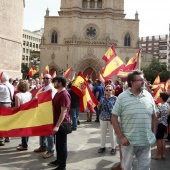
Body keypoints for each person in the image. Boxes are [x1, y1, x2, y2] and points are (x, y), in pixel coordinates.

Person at [112, 70, 157, 170]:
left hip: (146, 141)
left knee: (145, 168)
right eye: (140, 80)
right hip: (128, 142)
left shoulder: (149, 96)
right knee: (126, 167)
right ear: (132, 82)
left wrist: (153, 133)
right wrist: (121, 137)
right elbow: (114, 117)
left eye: (143, 79)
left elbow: (155, 115)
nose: (143, 82)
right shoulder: (122, 97)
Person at [48, 76, 71, 170]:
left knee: (62, 145)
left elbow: (64, 112)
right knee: (58, 144)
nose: (54, 83)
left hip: (62, 123)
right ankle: (58, 160)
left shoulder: (64, 95)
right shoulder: (58, 93)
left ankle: (62, 166)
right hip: (57, 122)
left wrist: (57, 126)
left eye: (55, 82)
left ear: (60, 83)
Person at [34, 74, 57, 159]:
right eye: (44, 78)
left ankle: (50, 150)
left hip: (48, 113)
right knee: (42, 129)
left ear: (51, 79)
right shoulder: (42, 88)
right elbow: (36, 97)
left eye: (47, 78)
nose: (45, 79)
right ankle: (43, 146)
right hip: (42, 112)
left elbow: (51, 100)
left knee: (48, 132)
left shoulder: (52, 89)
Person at [12, 80, 32, 151]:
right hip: (28, 113)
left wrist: (13, 109)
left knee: (22, 128)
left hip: (22, 114)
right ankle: (25, 142)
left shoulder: (17, 95)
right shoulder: (29, 94)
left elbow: (17, 106)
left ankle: (24, 145)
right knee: (27, 128)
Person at [98, 85, 117, 155]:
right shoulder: (102, 98)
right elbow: (99, 107)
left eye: (110, 90)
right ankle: (102, 147)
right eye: (107, 90)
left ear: (112, 91)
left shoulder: (115, 98)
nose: (108, 91)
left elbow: (117, 109)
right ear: (104, 91)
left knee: (112, 134)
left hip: (111, 119)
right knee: (103, 133)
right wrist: (98, 106)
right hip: (103, 118)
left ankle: (113, 148)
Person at [152, 92, 169, 160]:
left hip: (161, 124)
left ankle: (158, 155)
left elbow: (156, 116)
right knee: (162, 140)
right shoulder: (167, 105)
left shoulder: (161, 106)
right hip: (165, 124)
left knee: (159, 140)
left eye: (159, 96)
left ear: (162, 98)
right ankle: (163, 154)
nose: (158, 97)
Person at [0, 72, 14, 146]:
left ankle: (1, 139)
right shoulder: (11, 86)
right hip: (9, 104)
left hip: (2, 104)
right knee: (7, 121)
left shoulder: (2, 86)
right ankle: (8, 136)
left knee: (1, 122)